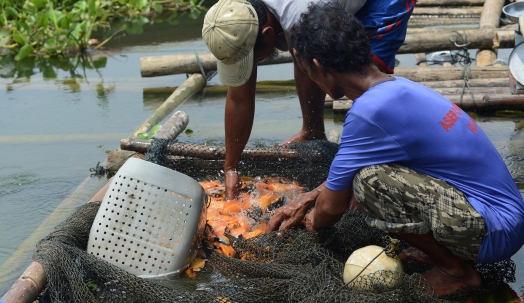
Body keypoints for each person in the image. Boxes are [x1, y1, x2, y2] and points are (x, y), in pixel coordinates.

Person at [265, 1, 524, 297]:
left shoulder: (369, 112)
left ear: (318, 67)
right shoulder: (396, 87)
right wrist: (310, 197)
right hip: (503, 219)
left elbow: (330, 209)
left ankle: (456, 271)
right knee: (366, 175)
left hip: (494, 232)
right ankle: (444, 253)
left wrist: (312, 220)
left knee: (370, 182)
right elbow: (342, 176)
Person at [201, 0, 416, 200]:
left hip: (384, 4)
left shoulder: (303, 17)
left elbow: (338, 85)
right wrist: (231, 168)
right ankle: (313, 130)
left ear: (267, 34)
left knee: (365, 82)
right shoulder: (236, 14)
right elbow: (239, 99)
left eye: (250, 59)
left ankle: (389, 155)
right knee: (306, 54)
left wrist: (337, 186)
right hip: (314, 13)